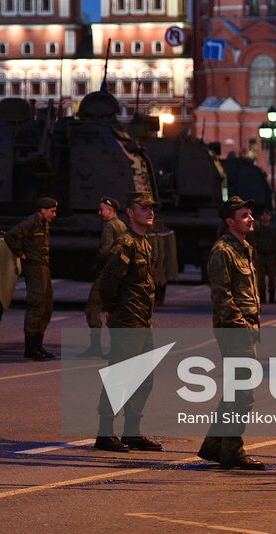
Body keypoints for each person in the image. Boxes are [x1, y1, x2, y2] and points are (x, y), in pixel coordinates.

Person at [197, 196, 267, 470]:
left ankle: (215, 446)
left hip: (247, 326)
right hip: (235, 329)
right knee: (244, 392)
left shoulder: (244, 248)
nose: (251, 218)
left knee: (236, 391)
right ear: (230, 222)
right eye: (244, 215)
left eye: (250, 214)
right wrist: (241, 325)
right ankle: (233, 450)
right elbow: (222, 296)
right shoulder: (223, 251)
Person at [93, 191, 161, 453]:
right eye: (143, 208)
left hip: (143, 320)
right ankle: (105, 432)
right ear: (130, 213)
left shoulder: (145, 242)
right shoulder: (125, 244)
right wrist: (111, 309)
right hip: (127, 319)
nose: (149, 212)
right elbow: (108, 282)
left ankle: (132, 431)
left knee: (145, 377)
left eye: (151, 208)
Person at [4, 196, 58, 361]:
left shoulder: (44, 223)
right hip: (34, 268)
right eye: (52, 211)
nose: (54, 214)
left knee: (46, 306)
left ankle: (38, 344)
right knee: (36, 305)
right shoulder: (30, 222)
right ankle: (30, 348)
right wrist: (20, 253)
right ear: (42, 210)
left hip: (44, 267)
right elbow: (10, 236)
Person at [79, 197, 127, 358]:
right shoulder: (121, 225)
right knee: (114, 310)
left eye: (101, 210)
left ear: (110, 210)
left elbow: (106, 250)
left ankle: (95, 347)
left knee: (92, 309)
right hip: (117, 274)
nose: (99, 213)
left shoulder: (109, 226)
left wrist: (96, 265)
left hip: (106, 273)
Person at [249, 207, 276, 304]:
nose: (265, 216)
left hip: (271, 256)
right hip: (260, 256)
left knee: (272, 279)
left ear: (270, 216)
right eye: (263, 214)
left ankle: (272, 298)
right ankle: (263, 298)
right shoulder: (257, 229)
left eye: (267, 214)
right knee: (260, 279)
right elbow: (253, 242)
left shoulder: (273, 229)